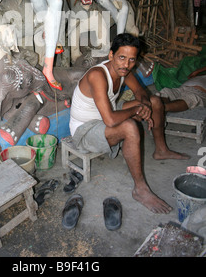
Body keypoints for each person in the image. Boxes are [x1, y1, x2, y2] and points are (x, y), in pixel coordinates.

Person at [69, 33, 189, 214]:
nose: (126, 64)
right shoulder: (97, 75)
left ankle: (161, 150)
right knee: (130, 127)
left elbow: (141, 91)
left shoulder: (124, 71)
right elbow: (110, 120)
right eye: (122, 58)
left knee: (155, 101)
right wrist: (136, 110)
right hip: (85, 129)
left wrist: (146, 105)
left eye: (132, 60)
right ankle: (140, 190)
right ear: (111, 56)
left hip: (105, 113)